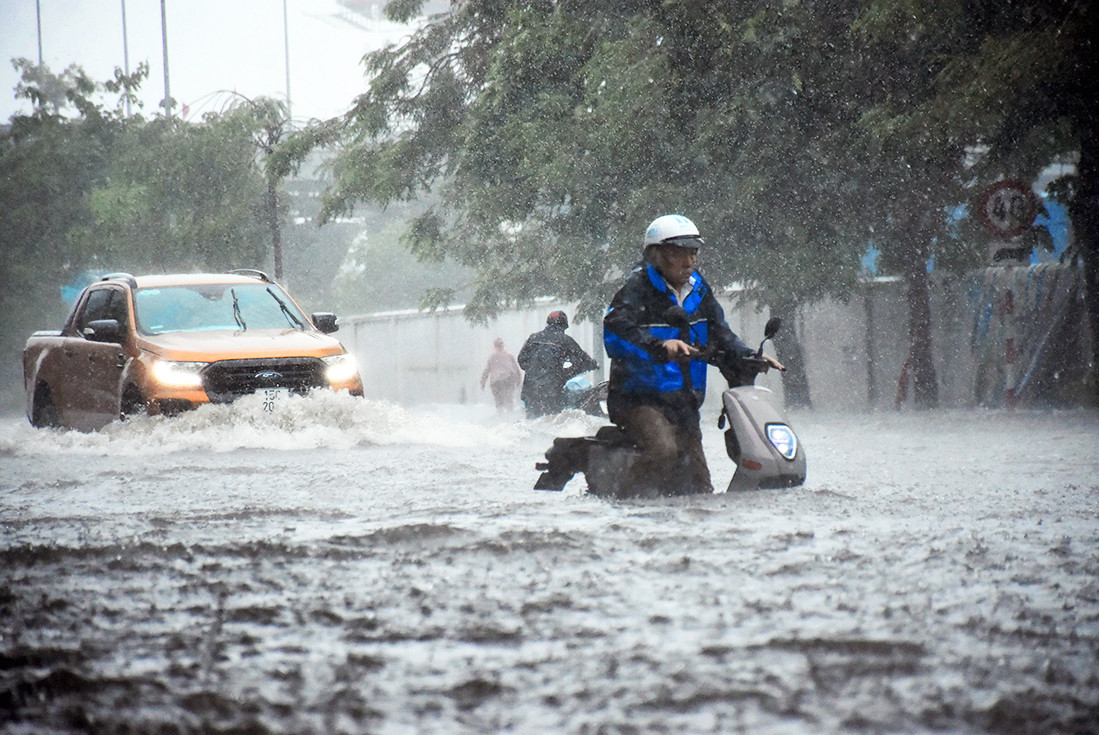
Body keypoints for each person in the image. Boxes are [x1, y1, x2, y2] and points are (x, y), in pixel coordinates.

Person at [603, 214, 784, 496]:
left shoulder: (698, 289)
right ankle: (623, 501)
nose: (689, 262)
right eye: (678, 254)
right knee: (663, 451)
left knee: (700, 489)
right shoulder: (636, 290)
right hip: (638, 399)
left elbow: (719, 332)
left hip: (684, 401)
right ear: (656, 255)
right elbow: (615, 335)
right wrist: (659, 347)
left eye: (693, 253)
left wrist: (749, 356)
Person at [517, 311, 598, 418]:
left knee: (532, 421)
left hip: (530, 391)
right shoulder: (565, 340)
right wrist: (593, 364)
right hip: (552, 392)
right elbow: (584, 359)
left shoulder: (533, 338)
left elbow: (521, 360)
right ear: (564, 326)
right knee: (552, 421)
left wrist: (535, 371)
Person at [479, 337, 523, 413]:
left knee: (499, 402)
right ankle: (509, 417)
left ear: (495, 346)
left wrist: (483, 382)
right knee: (509, 400)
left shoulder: (492, 357)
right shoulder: (509, 355)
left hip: (496, 382)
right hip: (508, 379)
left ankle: (500, 418)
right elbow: (516, 369)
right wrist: (519, 381)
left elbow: (486, 371)